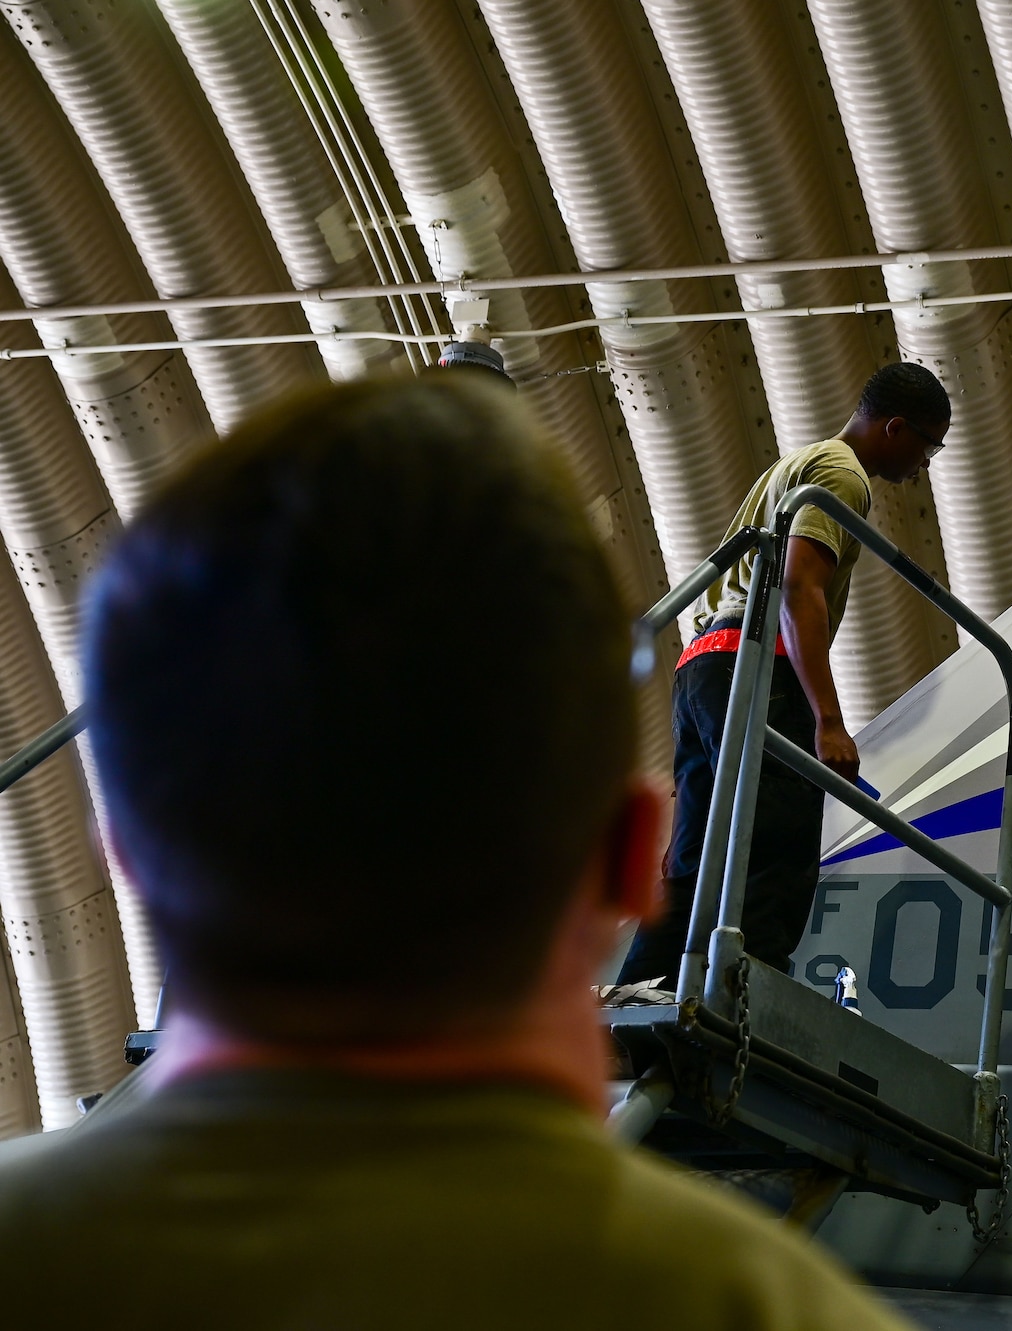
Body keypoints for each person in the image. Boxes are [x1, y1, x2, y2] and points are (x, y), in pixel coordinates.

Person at [0, 377, 914, 1329]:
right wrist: (829, 720)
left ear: (129, 851)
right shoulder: (773, 1307)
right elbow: (803, 584)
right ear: (629, 856)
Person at [618, 363, 949, 985]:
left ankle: (640, 990)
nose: (926, 463)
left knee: (696, 856)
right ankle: (751, 987)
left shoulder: (796, 463)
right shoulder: (843, 477)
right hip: (755, 665)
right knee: (778, 835)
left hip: (704, 667)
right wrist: (827, 719)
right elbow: (800, 587)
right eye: (928, 445)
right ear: (896, 428)